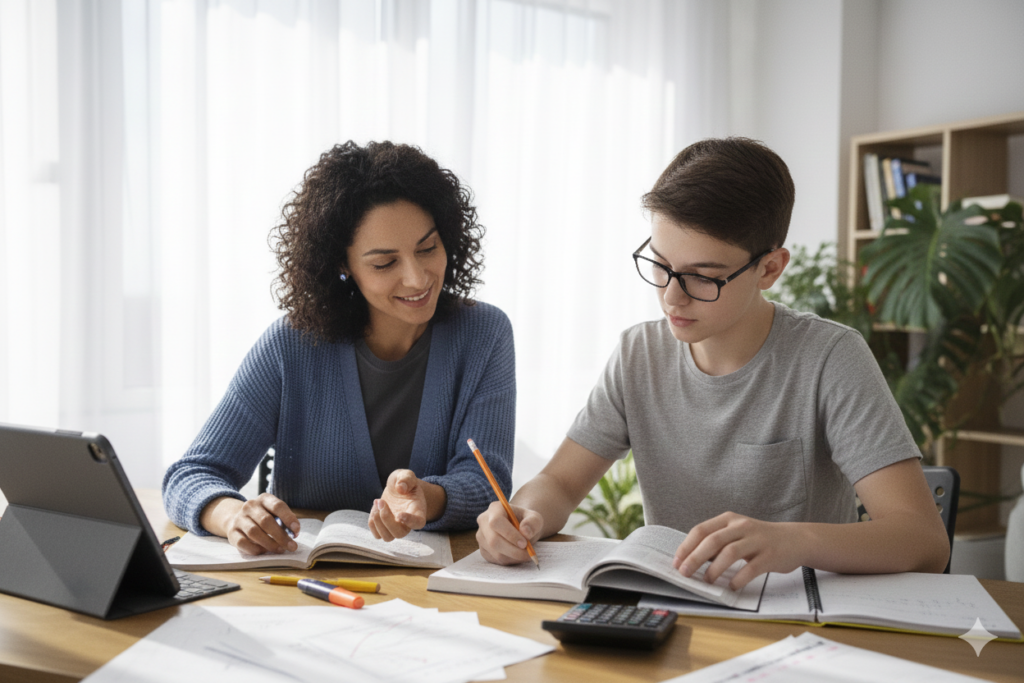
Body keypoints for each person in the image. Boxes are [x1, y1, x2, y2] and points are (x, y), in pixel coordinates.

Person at [476, 137, 949, 589]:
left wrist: (794, 540)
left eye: (703, 277)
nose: (670, 296)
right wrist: (523, 515)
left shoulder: (828, 358)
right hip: (673, 608)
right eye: (660, 265)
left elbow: (924, 541)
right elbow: (558, 482)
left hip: (796, 622)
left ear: (770, 268)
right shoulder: (637, 355)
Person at [163, 141, 515, 555]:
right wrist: (232, 516)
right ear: (344, 265)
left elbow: (485, 481)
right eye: (385, 264)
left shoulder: (484, 334)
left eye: (428, 248)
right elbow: (191, 474)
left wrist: (426, 496)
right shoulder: (290, 345)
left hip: (432, 587)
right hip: (301, 589)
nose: (418, 278)